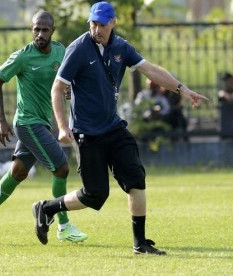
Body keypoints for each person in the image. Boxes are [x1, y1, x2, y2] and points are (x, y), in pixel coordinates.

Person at [32, 1, 207, 255]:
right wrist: (61, 127)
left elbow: (150, 70)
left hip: (113, 128)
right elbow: (57, 88)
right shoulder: (78, 49)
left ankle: (140, 243)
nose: (97, 29)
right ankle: (47, 208)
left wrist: (183, 89)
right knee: (95, 195)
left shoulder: (120, 47)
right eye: (93, 23)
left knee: (136, 178)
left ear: (113, 23)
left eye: (102, 24)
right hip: (86, 133)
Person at [0, 11, 87, 245]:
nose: (40, 34)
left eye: (45, 30)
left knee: (18, 173)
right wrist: (1, 120)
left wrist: (68, 91)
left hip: (42, 122)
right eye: (36, 29)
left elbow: (65, 82)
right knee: (62, 168)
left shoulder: (60, 51)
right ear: (31, 30)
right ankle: (64, 226)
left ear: (52, 31)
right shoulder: (23, 57)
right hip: (27, 123)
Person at [218, 72, 233, 138]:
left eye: (228, 81)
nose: (226, 83)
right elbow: (221, 94)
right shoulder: (222, 92)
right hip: (225, 128)